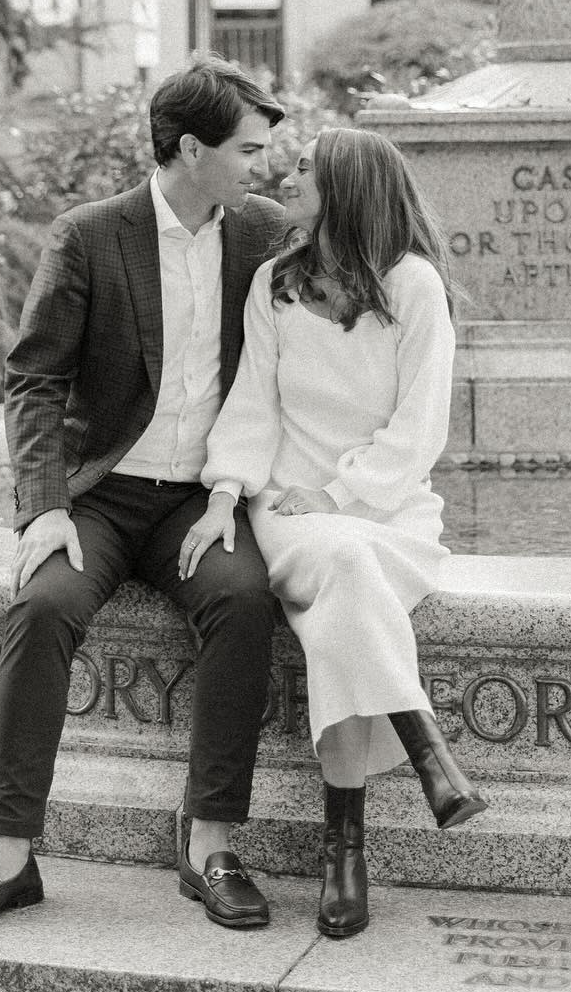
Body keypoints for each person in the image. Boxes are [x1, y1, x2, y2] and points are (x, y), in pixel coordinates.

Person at [0, 57, 287, 938]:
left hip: (202, 501)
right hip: (100, 495)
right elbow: (34, 378)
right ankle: (9, 856)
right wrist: (44, 504)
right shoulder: (90, 235)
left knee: (244, 603)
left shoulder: (263, 233)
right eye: (247, 149)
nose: (262, 166)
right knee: (43, 606)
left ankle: (209, 846)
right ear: (191, 149)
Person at [189, 126, 486, 939]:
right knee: (343, 563)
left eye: (311, 171)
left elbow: (420, 428)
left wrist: (342, 490)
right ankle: (421, 752)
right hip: (287, 513)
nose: (290, 175)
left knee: (351, 578)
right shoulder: (274, 286)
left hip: (389, 514)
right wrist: (225, 494)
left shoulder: (414, 287)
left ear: (349, 191)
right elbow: (252, 403)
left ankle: (345, 846)